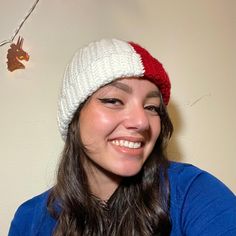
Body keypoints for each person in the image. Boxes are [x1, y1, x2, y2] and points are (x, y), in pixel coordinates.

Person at [9, 38, 236, 236]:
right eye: (113, 101)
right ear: (74, 117)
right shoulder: (28, 220)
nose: (141, 122)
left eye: (152, 107)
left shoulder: (193, 193)